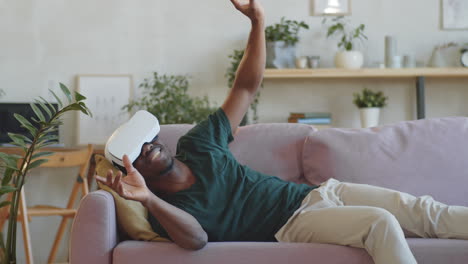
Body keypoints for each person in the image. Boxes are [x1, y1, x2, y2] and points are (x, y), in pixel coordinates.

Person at [96, 1, 468, 263]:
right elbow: (196, 240)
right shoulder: (168, 209)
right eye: (136, 151)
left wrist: (258, 22)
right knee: (379, 223)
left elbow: (244, 88)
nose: (147, 148)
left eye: (147, 140)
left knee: (422, 209)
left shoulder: (199, 144)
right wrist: (145, 200)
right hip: (292, 224)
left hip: (321, 193)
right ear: (135, 172)